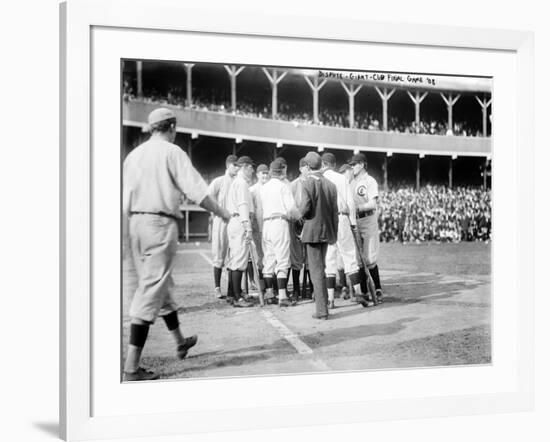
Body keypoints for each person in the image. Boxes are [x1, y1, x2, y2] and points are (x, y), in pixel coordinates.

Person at [122, 107, 230, 381]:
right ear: (171, 127)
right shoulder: (172, 152)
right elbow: (197, 192)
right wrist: (223, 213)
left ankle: (180, 340)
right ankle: (132, 367)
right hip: (159, 223)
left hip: (134, 223)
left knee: (161, 286)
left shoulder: (134, 155)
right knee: (151, 290)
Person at [321, 153, 367, 308]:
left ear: (323, 164)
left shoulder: (320, 178)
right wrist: (353, 223)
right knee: (349, 255)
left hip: (326, 221)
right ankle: (358, 293)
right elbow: (350, 203)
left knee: (330, 259)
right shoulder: (342, 178)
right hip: (342, 218)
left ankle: (331, 300)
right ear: (334, 165)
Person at [298, 152, 338, 320]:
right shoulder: (331, 185)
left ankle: (321, 310)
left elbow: (304, 209)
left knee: (316, 271)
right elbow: (335, 214)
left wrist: (298, 219)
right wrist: (334, 234)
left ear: (307, 167)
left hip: (312, 232)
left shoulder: (306, 184)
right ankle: (324, 306)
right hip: (327, 232)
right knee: (322, 268)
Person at [258, 160, 300, 306]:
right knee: (282, 259)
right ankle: (282, 296)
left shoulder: (263, 187)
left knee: (268, 259)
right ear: (281, 171)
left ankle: (270, 293)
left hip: (266, 223)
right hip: (279, 222)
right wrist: (300, 218)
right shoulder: (283, 186)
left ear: (270, 171)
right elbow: (292, 209)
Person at [349, 153, 383, 302]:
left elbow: (372, 204)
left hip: (368, 219)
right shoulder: (350, 182)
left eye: (354, 164)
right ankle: (364, 291)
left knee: (369, 257)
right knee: (358, 259)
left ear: (362, 164)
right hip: (355, 221)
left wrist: (357, 207)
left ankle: (377, 289)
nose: (352, 167)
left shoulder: (370, 181)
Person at [225, 156, 256, 307]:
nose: (253, 170)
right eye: (251, 167)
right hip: (240, 220)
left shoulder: (235, 182)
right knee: (239, 260)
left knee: (234, 259)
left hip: (233, 221)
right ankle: (237, 297)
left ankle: (232, 294)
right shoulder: (242, 183)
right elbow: (243, 206)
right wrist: (248, 227)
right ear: (244, 167)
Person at [208, 154, 239, 298]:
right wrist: (216, 210)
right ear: (228, 165)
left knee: (234, 254)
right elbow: (208, 195)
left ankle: (232, 289)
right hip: (221, 221)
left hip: (234, 220)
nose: (236, 168)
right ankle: (217, 287)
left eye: (238, 165)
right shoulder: (219, 181)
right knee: (219, 253)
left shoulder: (239, 182)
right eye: (234, 165)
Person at [248, 164, 270, 295]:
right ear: (257, 175)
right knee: (259, 258)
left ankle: (269, 286)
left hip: (268, 227)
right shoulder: (252, 190)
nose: (265, 176)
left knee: (269, 256)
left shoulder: (270, 188)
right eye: (263, 173)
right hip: (257, 228)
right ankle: (260, 285)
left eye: (267, 173)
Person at [289, 158, 308, 299]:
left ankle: (310, 289)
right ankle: (296, 290)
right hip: (296, 224)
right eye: (307, 167)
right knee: (296, 258)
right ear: (301, 168)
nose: (309, 169)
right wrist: (298, 217)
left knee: (310, 258)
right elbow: (290, 205)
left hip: (309, 223)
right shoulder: (293, 185)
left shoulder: (312, 183)